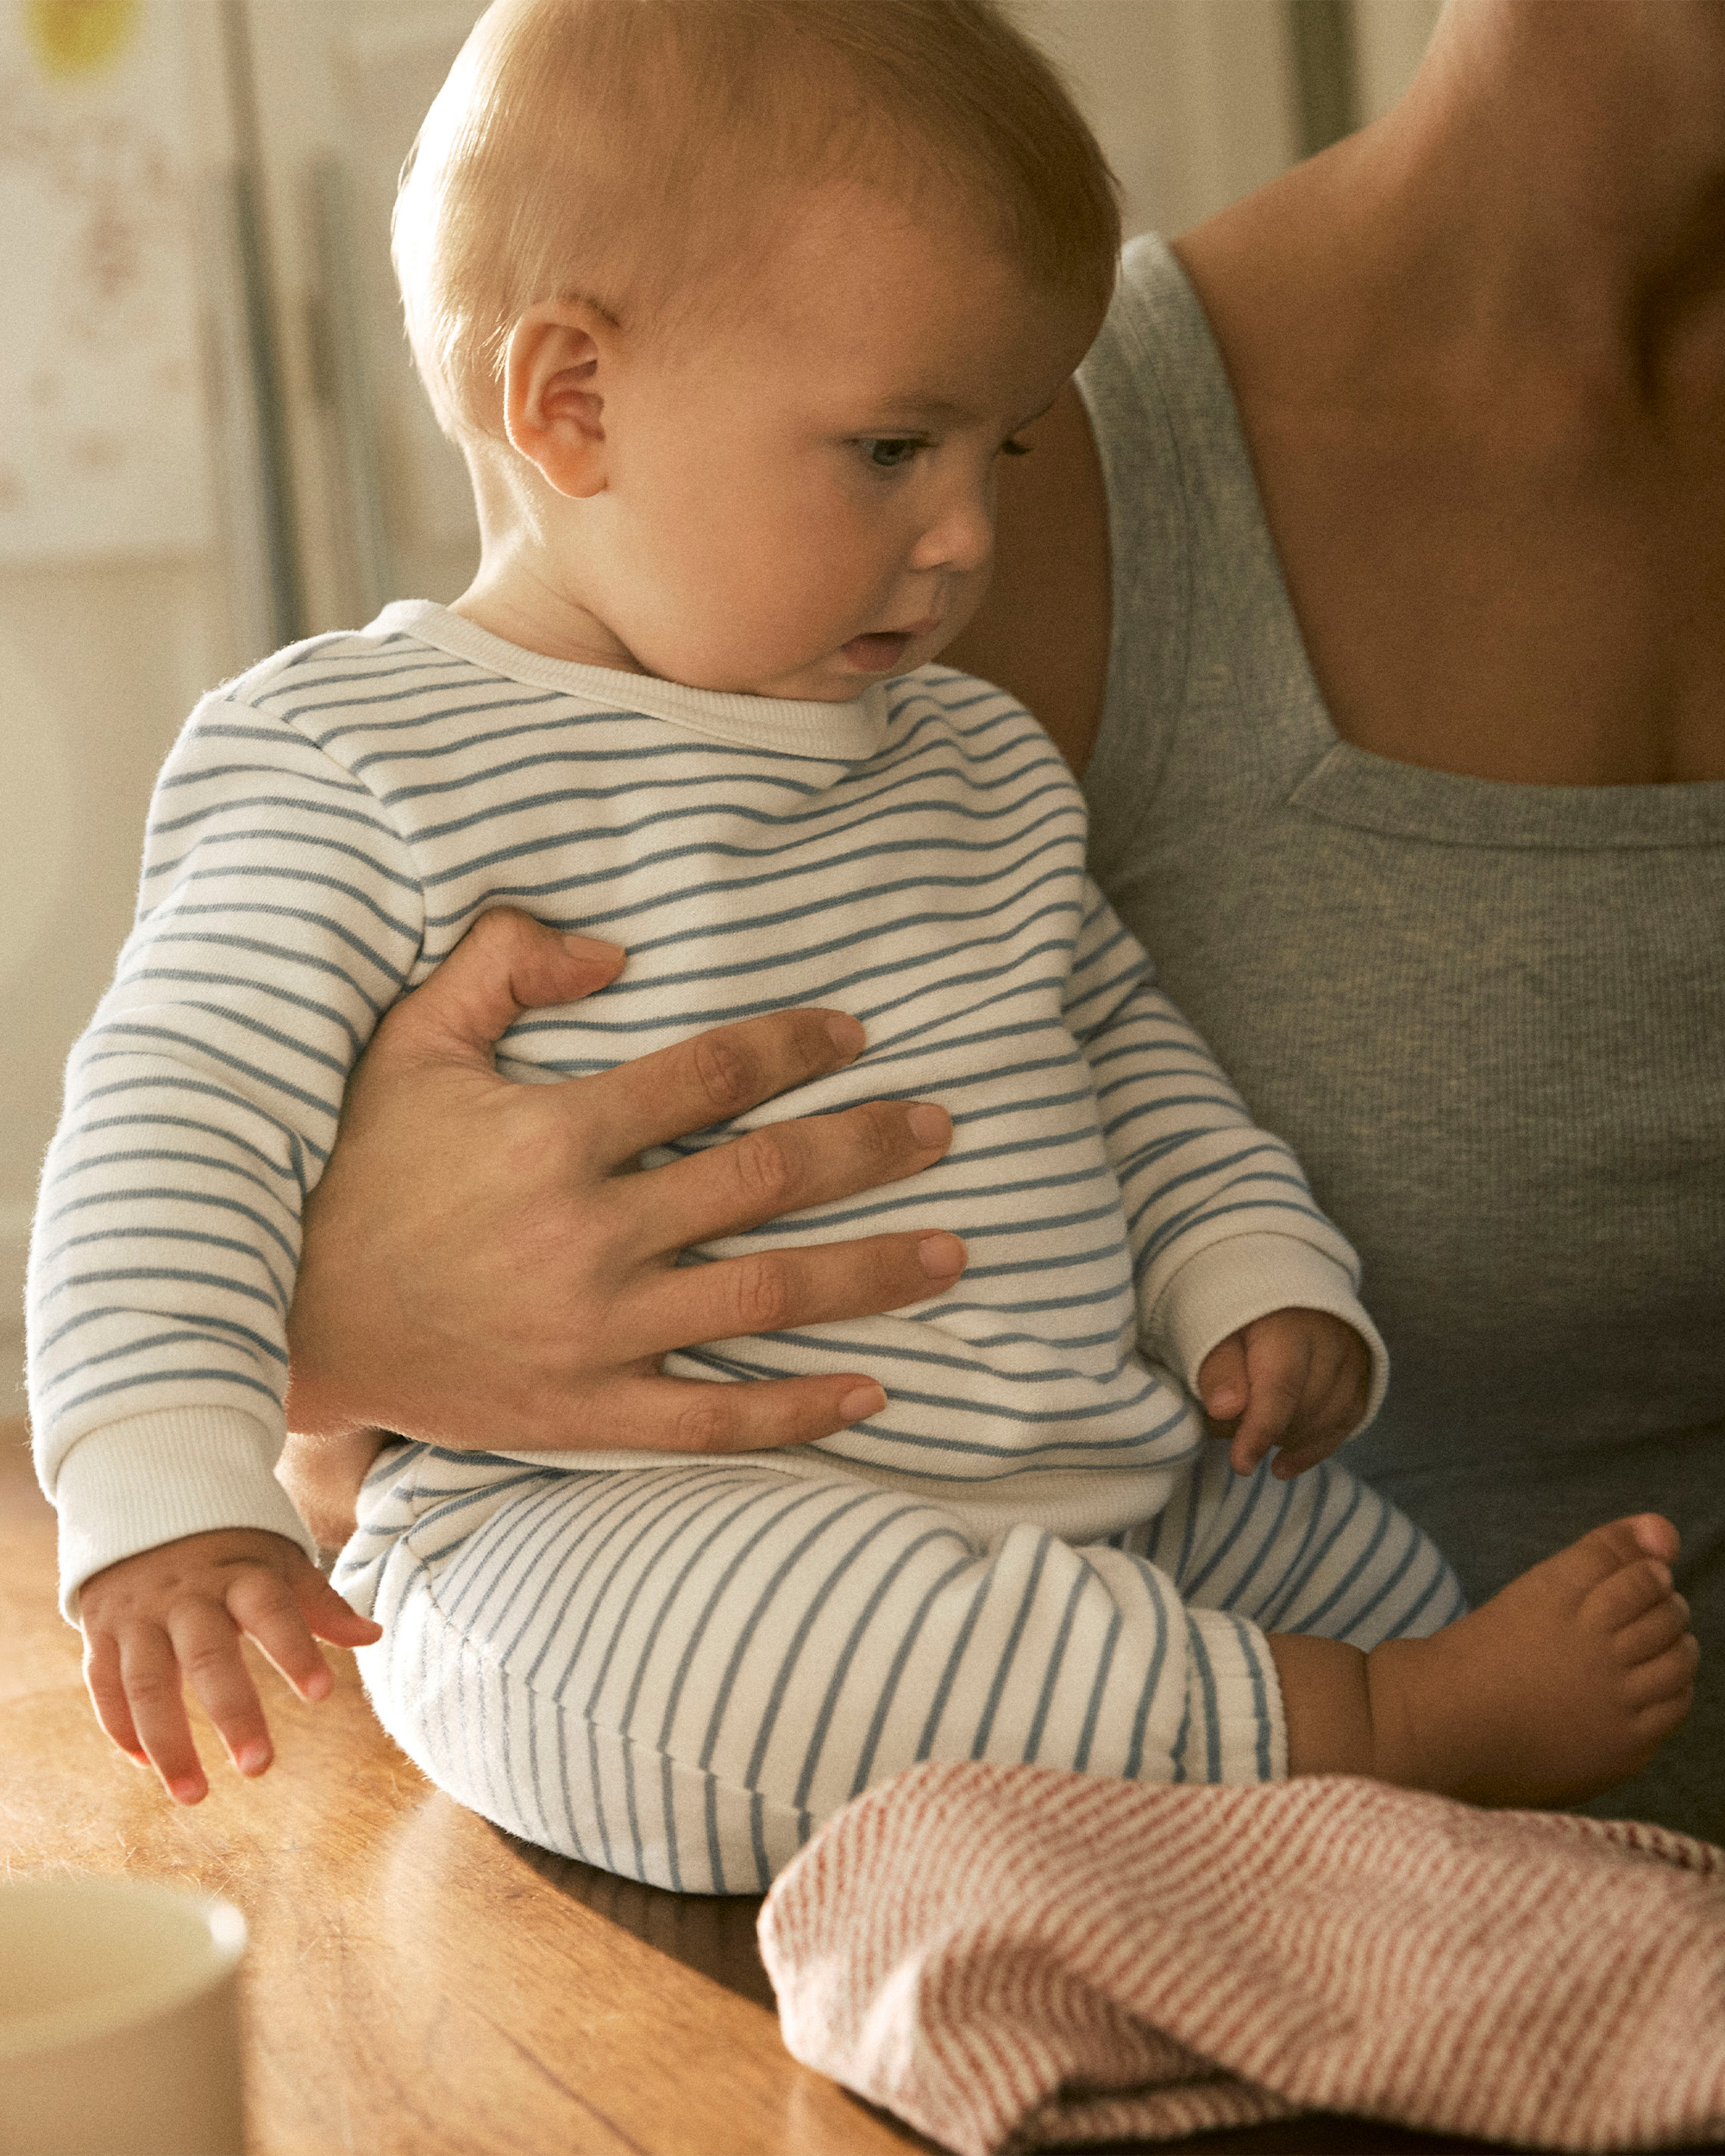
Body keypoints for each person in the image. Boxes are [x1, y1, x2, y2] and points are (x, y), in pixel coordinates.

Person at [33, 0, 1697, 1887]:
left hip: (1090, 1495)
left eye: (1002, 444)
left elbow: (1117, 1037)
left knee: (1337, 1548)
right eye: (893, 447)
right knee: (712, 1657)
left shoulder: (960, 752)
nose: (968, 534)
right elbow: (168, 1132)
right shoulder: (360, 758)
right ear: (570, 400)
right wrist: (167, 1498)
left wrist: (1243, 1264)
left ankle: (1321, 1737)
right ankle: (1367, 1737)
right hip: (632, 1530)